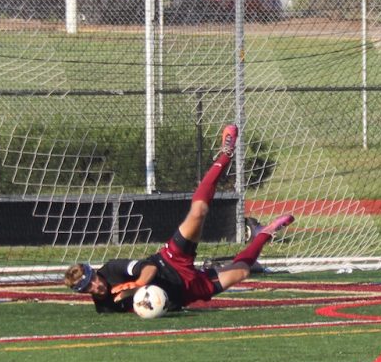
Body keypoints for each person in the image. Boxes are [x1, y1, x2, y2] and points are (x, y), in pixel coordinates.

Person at [64, 124, 294, 313]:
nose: (96, 286)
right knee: (242, 271)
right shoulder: (104, 307)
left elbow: (148, 268)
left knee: (199, 211)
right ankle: (265, 233)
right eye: (89, 288)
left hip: (170, 262)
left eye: (93, 279)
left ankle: (225, 155)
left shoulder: (112, 270)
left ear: (94, 271)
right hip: (185, 291)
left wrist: (138, 284)